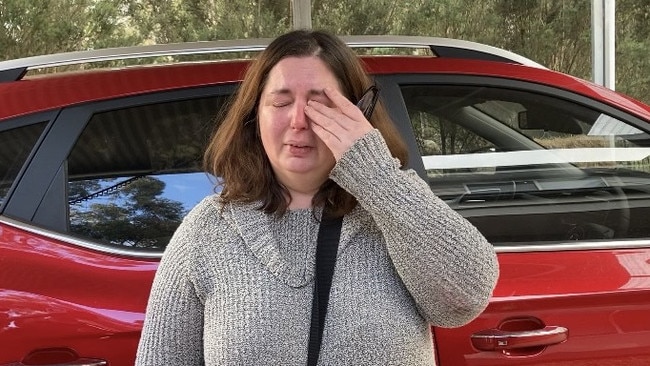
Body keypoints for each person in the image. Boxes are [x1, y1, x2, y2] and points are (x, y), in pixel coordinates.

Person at [135, 29, 499, 365]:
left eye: (319, 103)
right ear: (254, 116)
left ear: (359, 114)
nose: (298, 120)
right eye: (280, 102)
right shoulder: (208, 229)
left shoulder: (393, 210)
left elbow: (464, 299)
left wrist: (375, 175)